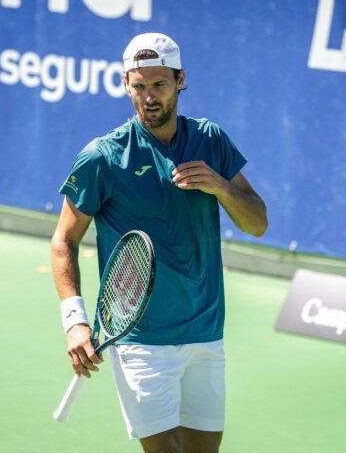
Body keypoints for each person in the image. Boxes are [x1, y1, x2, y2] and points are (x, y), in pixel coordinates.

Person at [51, 32, 268, 451]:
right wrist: (74, 321)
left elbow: (257, 223)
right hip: (141, 340)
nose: (149, 97)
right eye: (139, 86)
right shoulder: (102, 157)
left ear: (181, 80)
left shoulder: (211, 141)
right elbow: (64, 240)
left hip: (206, 330)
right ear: (125, 84)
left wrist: (222, 188)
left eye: (159, 85)